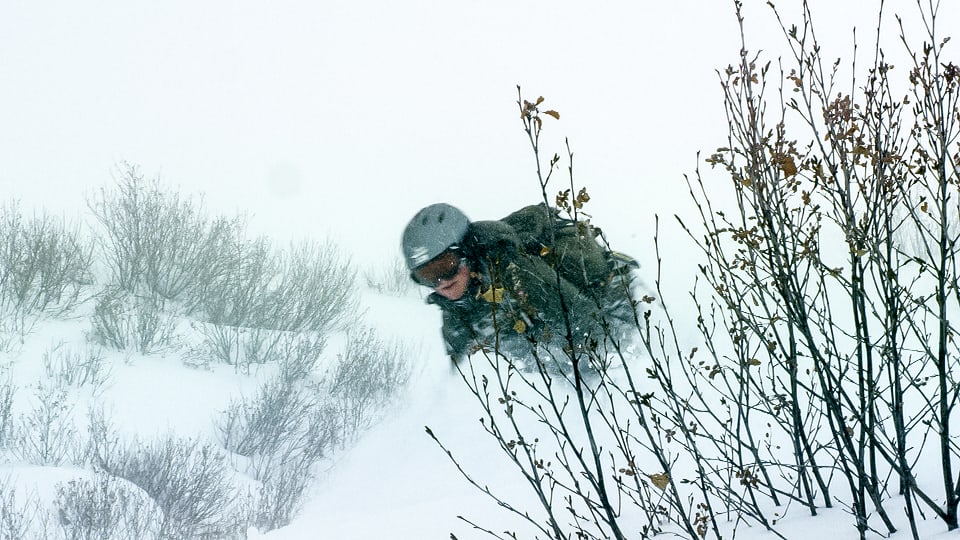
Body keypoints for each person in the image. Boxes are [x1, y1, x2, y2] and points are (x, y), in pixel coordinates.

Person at [401, 202, 638, 365]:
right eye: (427, 276)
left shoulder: (515, 271)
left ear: (467, 253)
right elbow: (464, 374)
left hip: (609, 306)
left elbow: (587, 324)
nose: (441, 283)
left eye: (446, 266)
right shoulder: (454, 308)